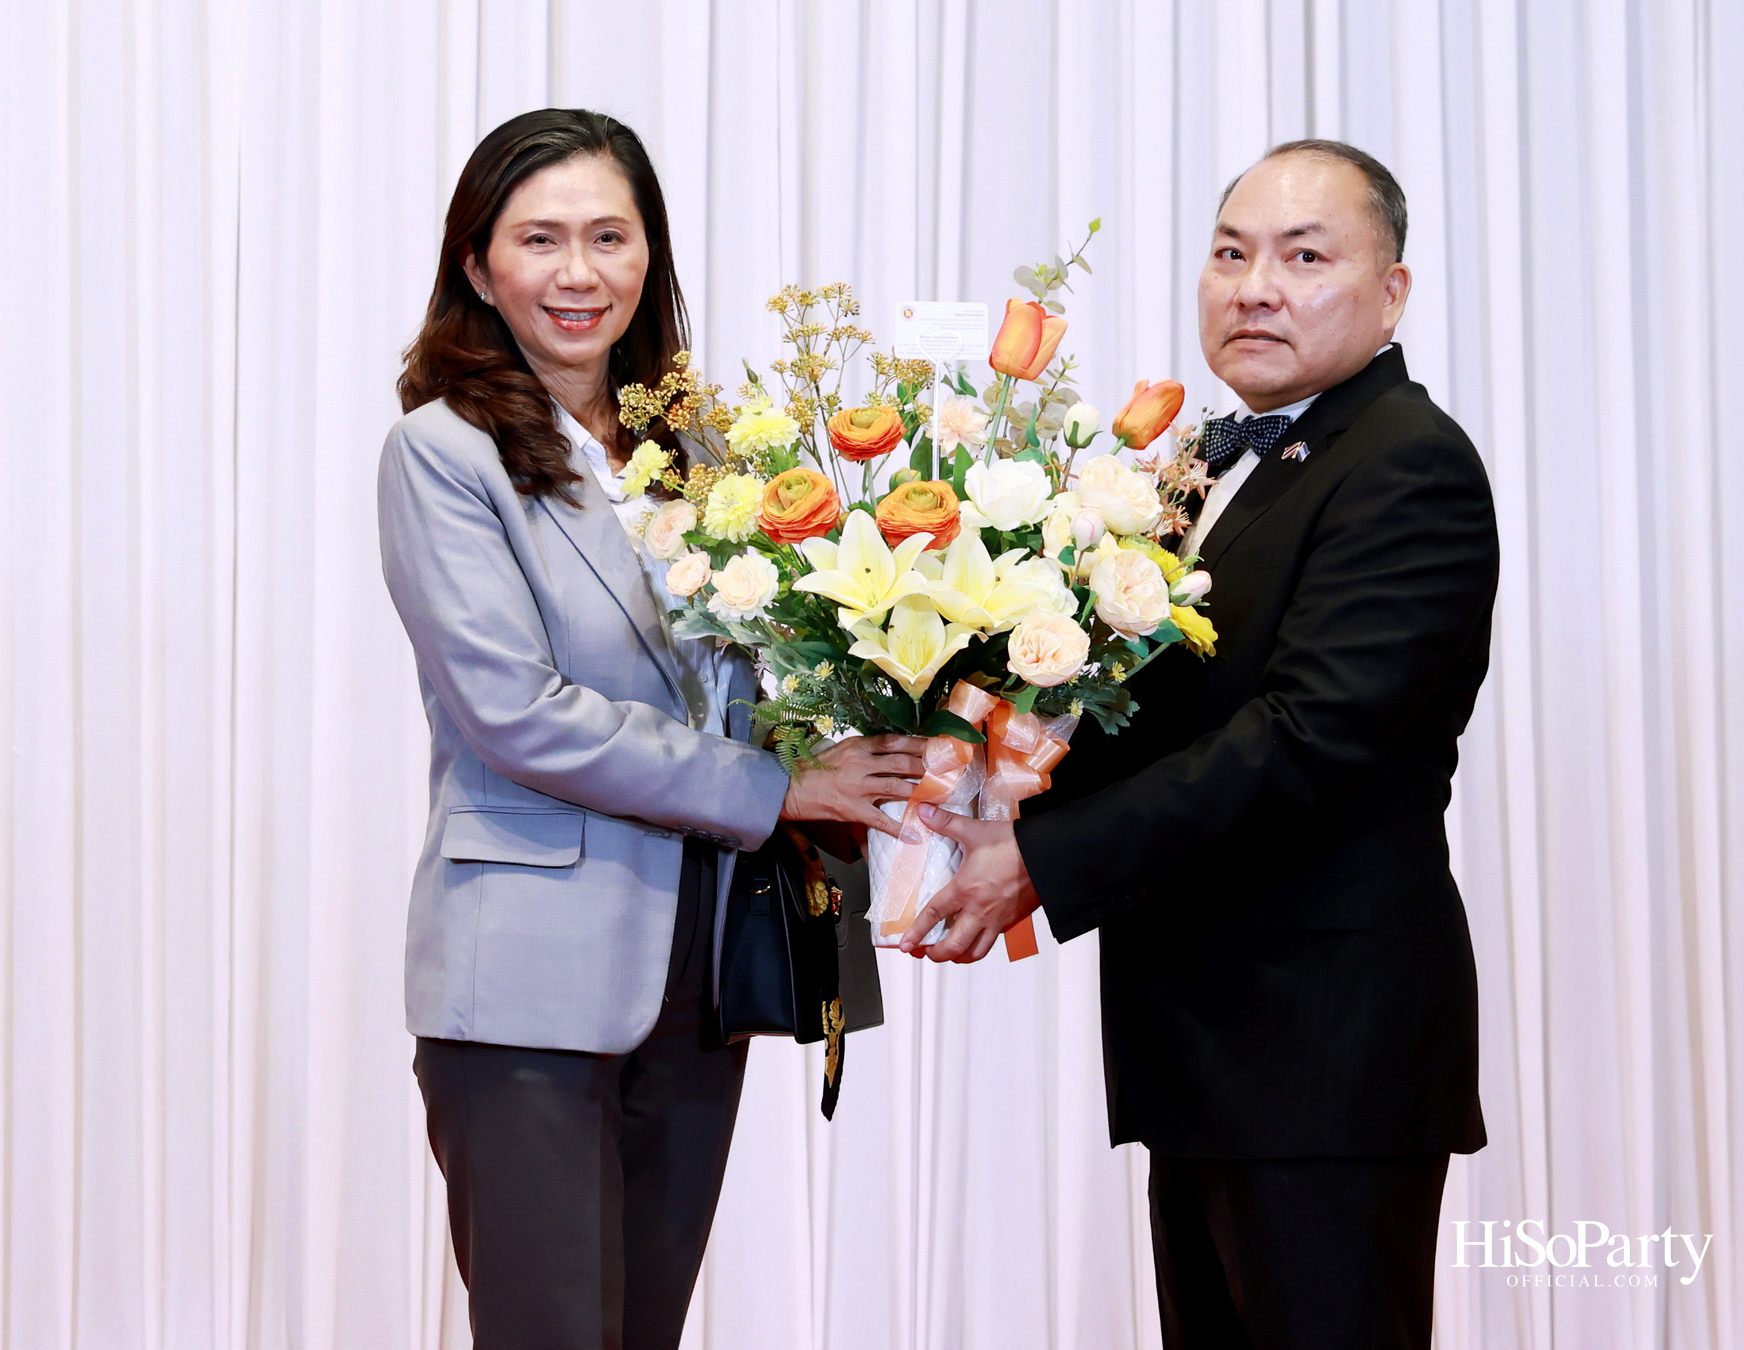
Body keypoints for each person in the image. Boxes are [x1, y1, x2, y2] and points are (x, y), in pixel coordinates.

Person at [902, 140, 1499, 1348]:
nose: (1255, 285)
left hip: (1324, 1055)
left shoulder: (1404, 465)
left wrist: (1040, 859)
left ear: (1392, 293)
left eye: (1304, 255)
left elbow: (1308, 742)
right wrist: (975, 775)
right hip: (1213, 1049)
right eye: (1231, 253)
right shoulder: (1216, 467)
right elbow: (1159, 718)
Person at [378, 108, 922, 1350]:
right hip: (522, 988)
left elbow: (765, 675)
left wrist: (908, 681)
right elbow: (516, 714)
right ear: (478, 265)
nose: (580, 274)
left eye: (610, 238)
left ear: (650, 257)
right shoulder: (442, 453)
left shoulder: (704, 453)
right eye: (541, 240)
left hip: (700, 969)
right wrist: (774, 787)